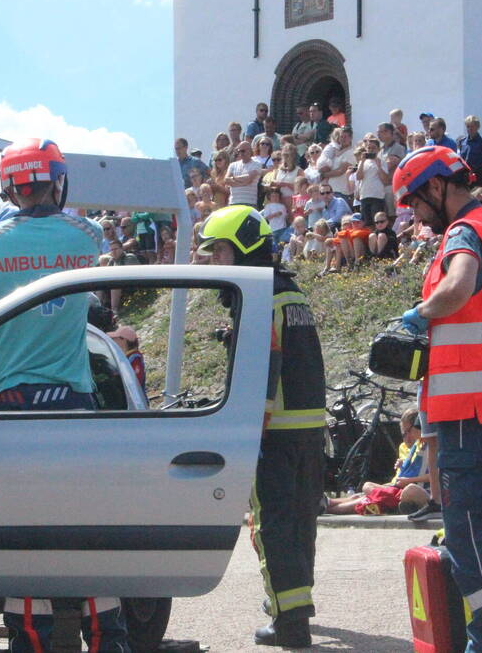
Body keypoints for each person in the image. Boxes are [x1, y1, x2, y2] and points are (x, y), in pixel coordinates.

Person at [0, 138, 128, 653]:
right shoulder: (87, 233)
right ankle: (107, 642)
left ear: (9, 186)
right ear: (58, 181)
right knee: (86, 530)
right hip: (73, 404)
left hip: (8, 407)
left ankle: (28, 644)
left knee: (20, 534)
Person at [393, 145, 482, 652]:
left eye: (414, 201)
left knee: (469, 540)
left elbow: (459, 285)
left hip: (469, 417)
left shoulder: (464, 232)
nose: (414, 214)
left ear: (435, 187)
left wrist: (419, 314)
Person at [196, 205, 326, 649]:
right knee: (301, 524)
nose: (215, 262)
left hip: (276, 431)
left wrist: (251, 429)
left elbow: (265, 365)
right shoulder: (291, 291)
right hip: (309, 428)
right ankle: (297, 606)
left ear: (244, 248)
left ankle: (289, 623)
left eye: (219, 252)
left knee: (272, 526)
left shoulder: (257, 296)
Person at [322, 409, 429, 515]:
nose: (406, 437)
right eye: (403, 434)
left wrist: (408, 480)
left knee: (381, 496)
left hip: (412, 489)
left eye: (408, 432)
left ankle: (328, 508)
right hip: (399, 488)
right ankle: (328, 503)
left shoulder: (430, 445)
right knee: (367, 488)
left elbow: (435, 475)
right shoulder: (417, 446)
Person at [456, 115, 482, 187]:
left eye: (472, 126)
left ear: (477, 127)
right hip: (464, 177)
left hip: (479, 178)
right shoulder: (462, 142)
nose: (470, 129)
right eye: (468, 126)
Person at [108, 325, 145, 391]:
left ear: (123, 340)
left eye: (115, 338)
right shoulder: (126, 356)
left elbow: (135, 382)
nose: (113, 340)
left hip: (136, 399)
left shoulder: (135, 358)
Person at [224, 142, 262, 206]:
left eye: (243, 151)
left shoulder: (257, 164)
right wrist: (243, 183)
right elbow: (226, 180)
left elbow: (249, 178)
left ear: (250, 151)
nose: (241, 153)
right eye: (239, 151)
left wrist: (233, 178)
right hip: (234, 202)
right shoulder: (233, 165)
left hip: (249, 202)